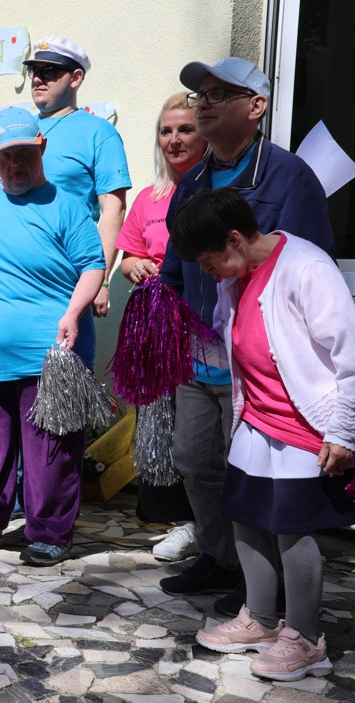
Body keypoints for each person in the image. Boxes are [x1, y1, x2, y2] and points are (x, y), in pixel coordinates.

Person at [159, 57, 334, 616]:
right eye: (199, 94)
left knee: (258, 473)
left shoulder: (288, 177)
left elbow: (307, 269)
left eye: (219, 94)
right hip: (199, 350)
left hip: (262, 359)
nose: (202, 103)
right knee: (194, 459)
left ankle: (268, 579)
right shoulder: (193, 181)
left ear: (256, 107)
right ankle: (221, 556)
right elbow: (176, 260)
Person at [172, 189, 354, 683]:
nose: (208, 274)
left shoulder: (306, 268)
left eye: (210, 263)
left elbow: (350, 355)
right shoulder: (239, 275)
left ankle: (304, 639)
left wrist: (345, 430)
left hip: (304, 424)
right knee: (246, 518)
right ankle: (261, 620)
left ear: (234, 239)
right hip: (256, 418)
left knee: (292, 528)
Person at [0, 107, 105, 563]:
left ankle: (50, 533)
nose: (14, 166)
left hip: (51, 353)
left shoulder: (67, 205)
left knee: (50, 452)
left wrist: (75, 313)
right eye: (5, 158)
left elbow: (93, 266)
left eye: (23, 154)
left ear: (40, 147)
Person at [115, 92, 208, 561]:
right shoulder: (150, 199)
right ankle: (179, 520)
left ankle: (204, 523)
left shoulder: (212, 189)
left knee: (197, 427)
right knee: (161, 424)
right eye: (166, 130)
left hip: (197, 324)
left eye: (185, 129)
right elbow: (128, 252)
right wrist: (132, 265)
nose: (173, 139)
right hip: (155, 324)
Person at [23, 36, 131, 317]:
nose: (37, 79)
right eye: (34, 71)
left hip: (66, 276)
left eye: (49, 72)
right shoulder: (20, 131)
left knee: (65, 357)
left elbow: (113, 210)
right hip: (16, 273)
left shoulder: (99, 132)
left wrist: (102, 278)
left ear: (76, 77)